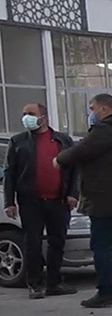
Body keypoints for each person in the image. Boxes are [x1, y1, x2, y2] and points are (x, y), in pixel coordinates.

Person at [55, 93, 112, 308]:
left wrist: (58, 159)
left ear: (104, 109)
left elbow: (80, 151)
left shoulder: (105, 131)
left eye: (93, 108)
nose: (90, 113)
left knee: (101, 245)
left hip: (103, 198)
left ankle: (105, 291)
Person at [3, 103, 78, 298]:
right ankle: (34, 284)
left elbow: (74, 169)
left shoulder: (63, 140)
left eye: (31, 114)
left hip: (58, 201)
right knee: (32, 243)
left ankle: (54, 283)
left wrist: (73, 194)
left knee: (57, 242)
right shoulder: (18, 141)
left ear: (43, 117)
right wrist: (9, 202)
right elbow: (9, 173)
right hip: (30, 201)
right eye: (24, 114)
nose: (26, 117)